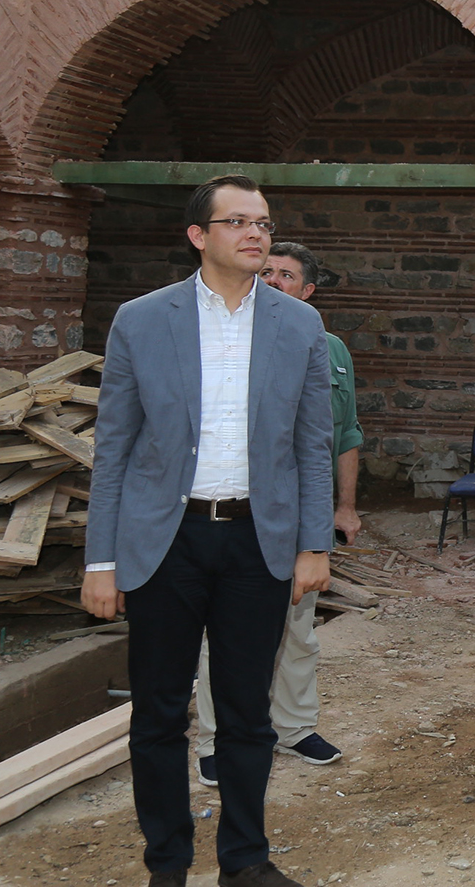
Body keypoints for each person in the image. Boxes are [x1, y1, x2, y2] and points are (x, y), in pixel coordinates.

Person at [83, 175, 333, 887]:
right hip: (165, 542)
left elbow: (313, 444)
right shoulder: (141, 319)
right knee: (160, 714)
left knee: (248, 713)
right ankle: (167, 864)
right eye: (238, 222)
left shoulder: (300, 324)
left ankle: (245, 860)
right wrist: (100, 560)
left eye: (264, 222)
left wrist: (314, 545)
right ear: (199, 235)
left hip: (258, 543)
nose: (257, 234)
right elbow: (114, 448)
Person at [189, 242, 359, 785]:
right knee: (224, 634)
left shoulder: (329, 348)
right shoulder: (227, 341)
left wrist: (343, 507)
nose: (273, 281)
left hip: (298, 515)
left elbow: (343, 434)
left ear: (307, 291)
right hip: (239, 512)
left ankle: (293, 727)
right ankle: (216, 740)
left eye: (286, 275)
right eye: (267, 272)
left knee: (299, 630)